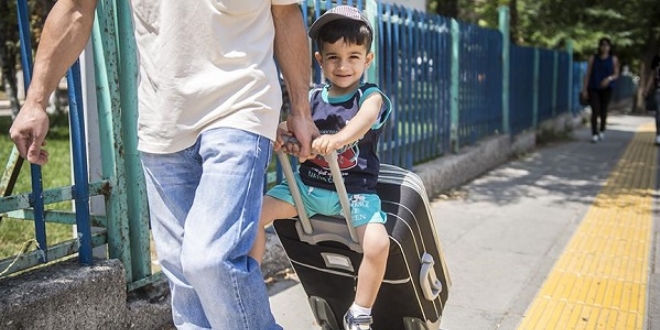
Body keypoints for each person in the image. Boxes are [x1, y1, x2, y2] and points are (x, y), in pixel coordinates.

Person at [8, 1, 318, 329]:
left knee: (209, 259)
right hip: (163, 119)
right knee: (184, 280)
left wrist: (301, 109)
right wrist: (35, 101)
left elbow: (285, 12)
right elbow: (76, 8)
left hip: (242, 105)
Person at [249, 6, 391, 330]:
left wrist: (339, 138)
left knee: (378, 244)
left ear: (367, 60)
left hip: (353, 194)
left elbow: (365, 120)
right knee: (252, 216)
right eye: (334, 57)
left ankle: (360, 311)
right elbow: (294, 124)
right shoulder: (310, 99)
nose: (343, 66)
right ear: (319, 59)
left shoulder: (371, 96)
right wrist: (284, 132)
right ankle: (249, 285)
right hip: (307, 188)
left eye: (354, 56)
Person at [581, 37, 619, 143]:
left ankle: (602, 129)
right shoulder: (593, 58)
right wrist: (584, 89)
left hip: (607, 88)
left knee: (603, 110)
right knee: (595, 110)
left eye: (606, 45)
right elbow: (587, 74)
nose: (604, 47)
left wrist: (609, 79)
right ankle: (594, 133)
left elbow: (616, 74)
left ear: (609, 47)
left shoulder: (613, 59)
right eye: (602, 45)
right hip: (594, 87)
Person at [643, 52, 660, 145]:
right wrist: (646, 88)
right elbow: (652, 75)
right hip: (658, 89)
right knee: (659, 112)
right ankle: (658, 135)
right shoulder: (656, 59)